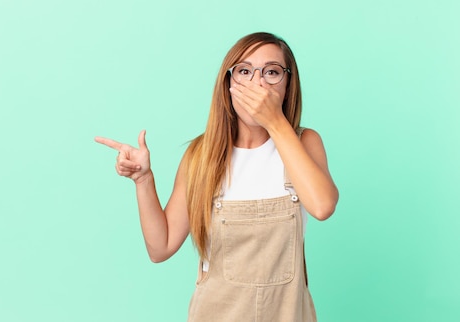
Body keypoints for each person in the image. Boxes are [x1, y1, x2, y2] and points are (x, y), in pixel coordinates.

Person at [94, 32, 338, 322]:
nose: (257, 83)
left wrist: (274, 121)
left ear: (288, 84)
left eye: (271, 72)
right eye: (245, 71)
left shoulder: (304, 143)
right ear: (229, 84)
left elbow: (323, 206)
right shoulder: (201, 155)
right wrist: (144, 181)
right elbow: (160, 248)